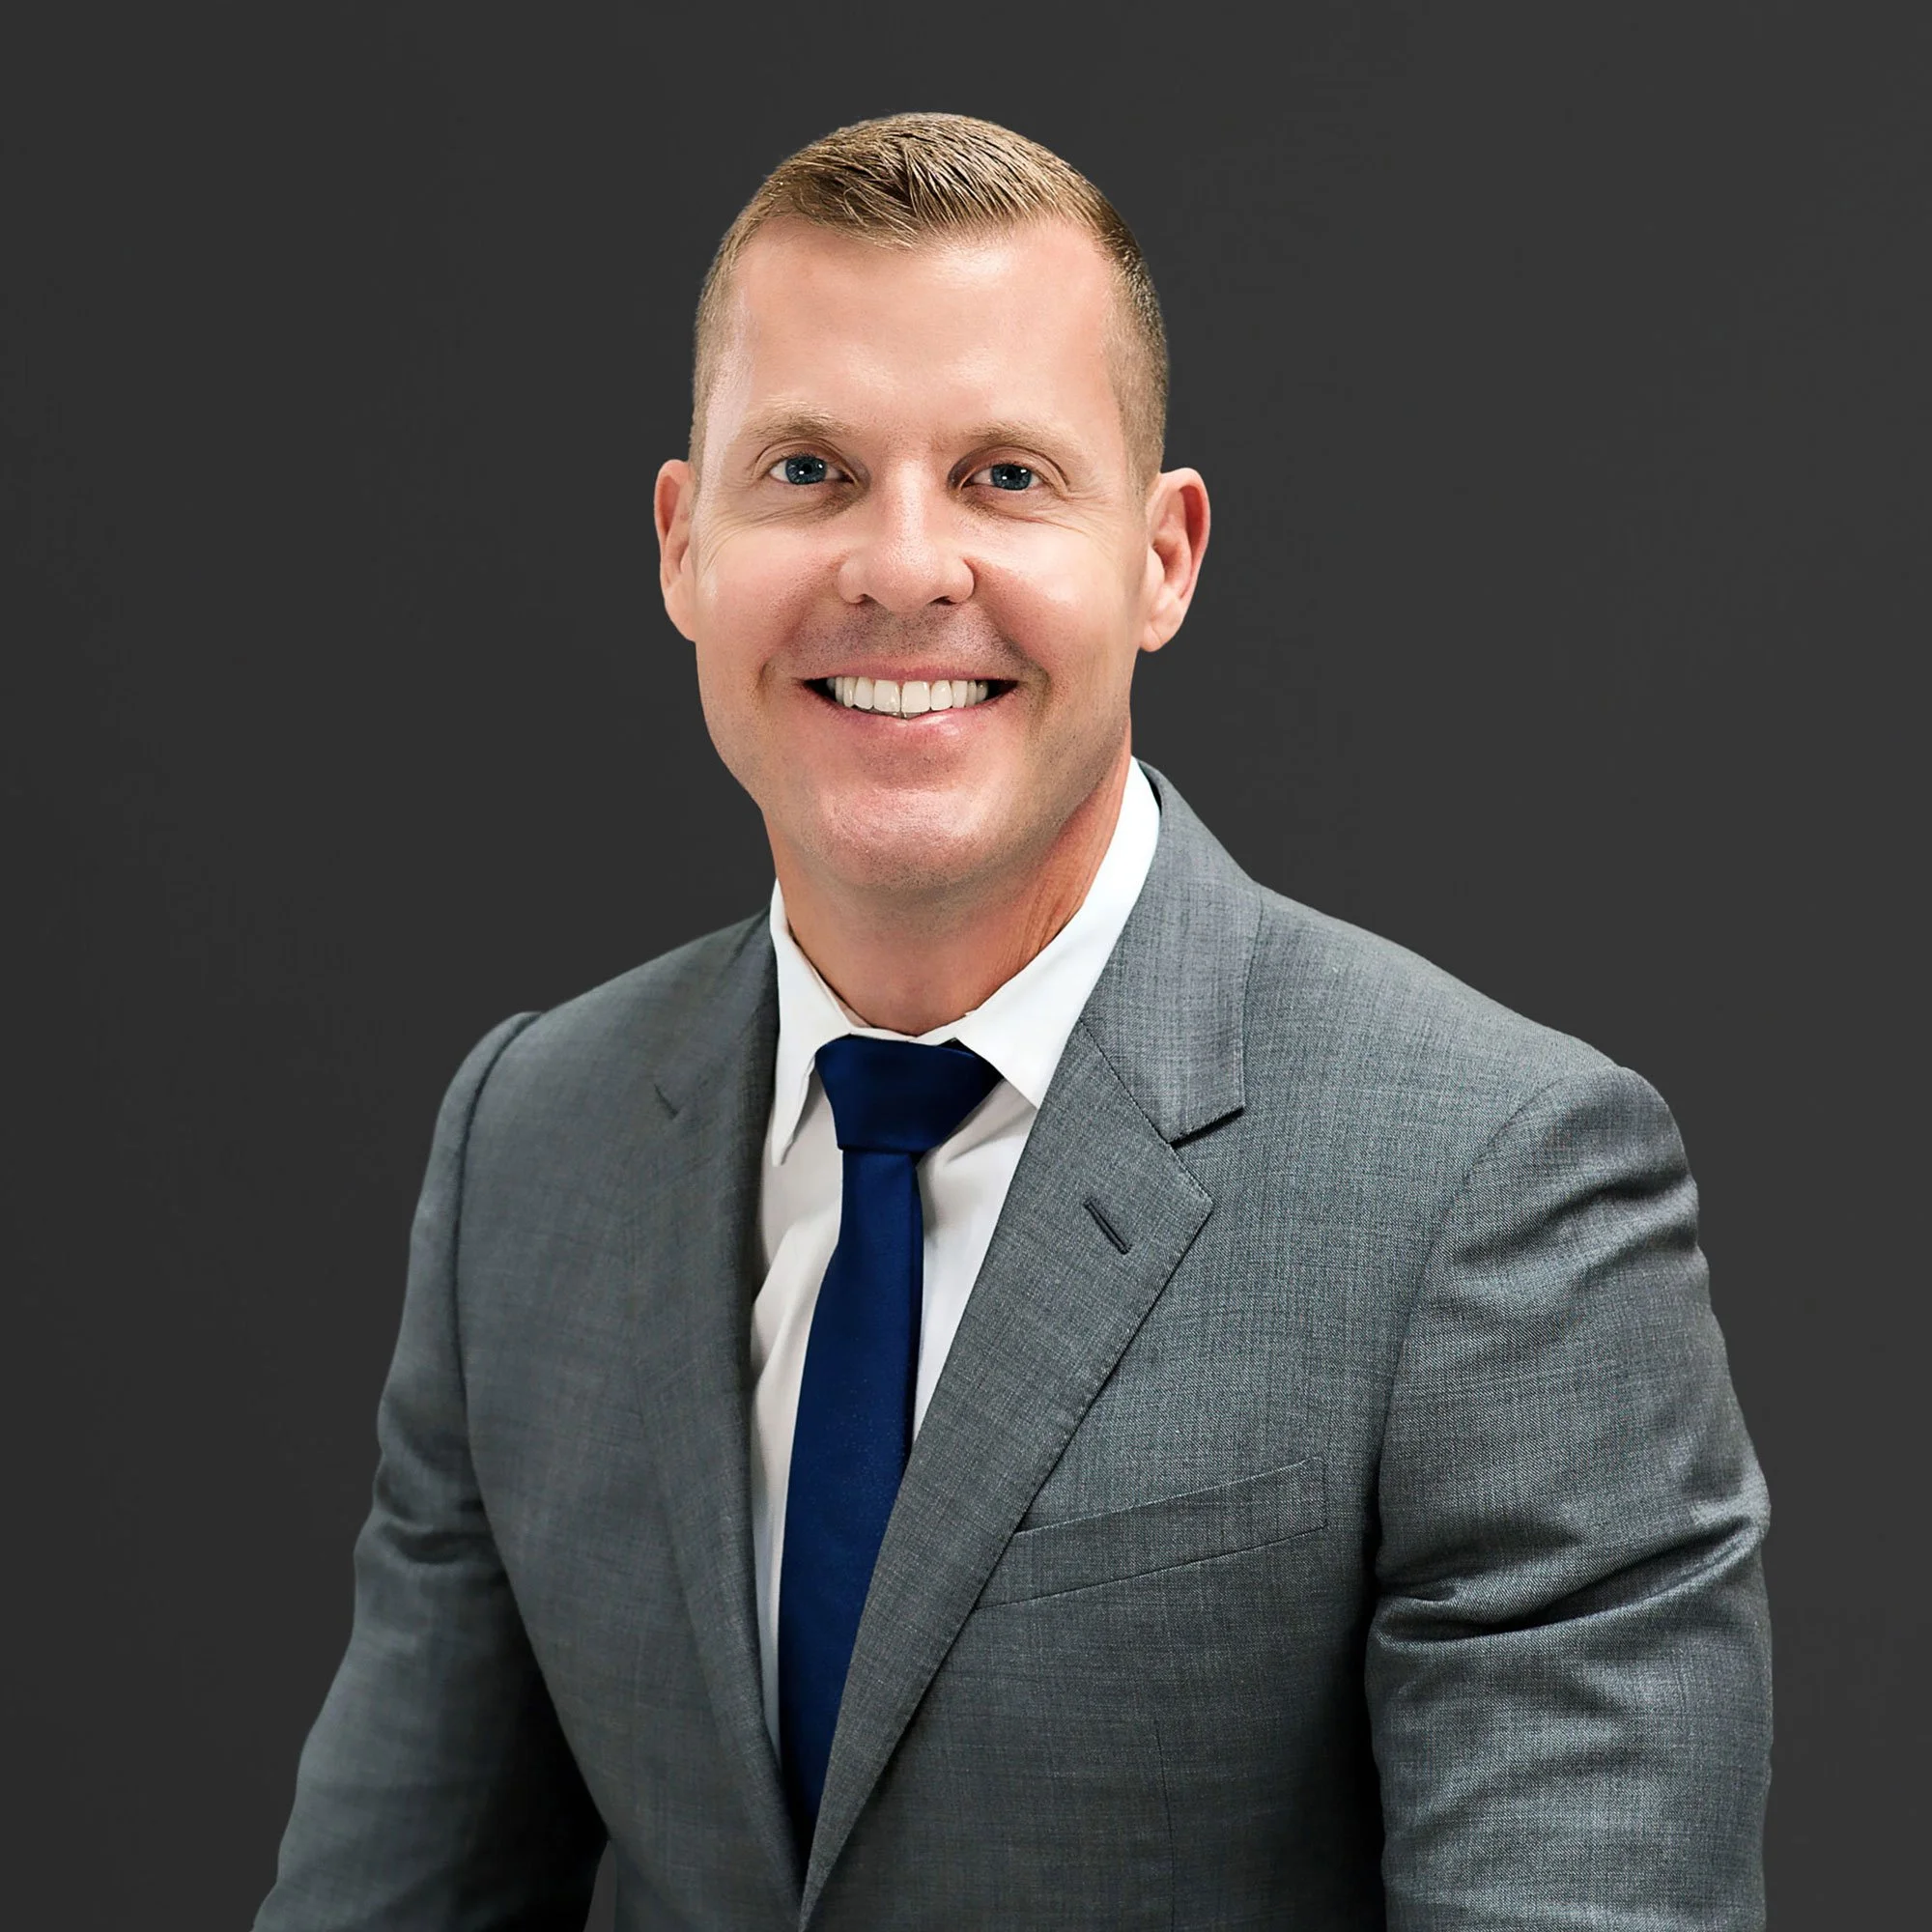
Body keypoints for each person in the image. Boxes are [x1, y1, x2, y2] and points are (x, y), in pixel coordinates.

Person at [256, 113, 1771, 1929]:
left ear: (1163, 557)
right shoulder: (530, 1142)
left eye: (1003, 477)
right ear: (682, 544)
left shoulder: (1497, 1189)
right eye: (808, 468)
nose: (901, 568)